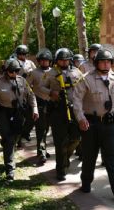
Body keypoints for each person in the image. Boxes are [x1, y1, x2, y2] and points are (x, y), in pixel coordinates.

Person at [73, 47, 114, 201]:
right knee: (89, 157)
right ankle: (86, 181)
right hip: (90, 124)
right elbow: (76, 101)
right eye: (102, 62)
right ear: (96, 63)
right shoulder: (85, 78)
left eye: (108, 62)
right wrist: (80, 118)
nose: (106, 64)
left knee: (112, 157)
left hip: (111, 125)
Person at [0, 59, 39, 182]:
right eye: (11, 71)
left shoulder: (22, 80)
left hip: (18, 113)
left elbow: (31, 95)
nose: (14, 73)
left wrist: (35, 109)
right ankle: (10, 170)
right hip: (3, 112)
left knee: (14, 137)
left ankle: (8, 147)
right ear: (6, 71)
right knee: (9, 140)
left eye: (16, 71)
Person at [40, 48, 83, 181]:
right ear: (56, 60)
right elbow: (40, 87)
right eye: (61, 60)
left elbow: (83, 87)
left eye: (66, 59)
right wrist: (51, 93)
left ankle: (65, 159)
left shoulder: (77, 71)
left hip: (74, 109)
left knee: (76, 138)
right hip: (58, 110)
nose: (63, 62)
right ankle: (60, 169)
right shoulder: (50, 73)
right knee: (60, 142)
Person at [26, 48, 53, 165]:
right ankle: (42, 152)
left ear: (50, 61)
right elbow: (26, 86)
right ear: (38, 61)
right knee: (41, 129)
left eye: (46, 60)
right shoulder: (34, 73)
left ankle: (42, 149)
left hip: (51, 104)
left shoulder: (54, 72)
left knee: (47, 128)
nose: (44, 62)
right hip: (39, 103)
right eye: (42, 60)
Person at [14, 44, 37, 145]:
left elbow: (35, 73)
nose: (22, 55)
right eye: (20, 54)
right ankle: (18, 138)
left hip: (29, 91)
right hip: (17, 91)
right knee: (19, 117)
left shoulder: (30, 63)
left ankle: (26, 132)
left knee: (31, 115)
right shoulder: (13, 62)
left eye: (24, 54)